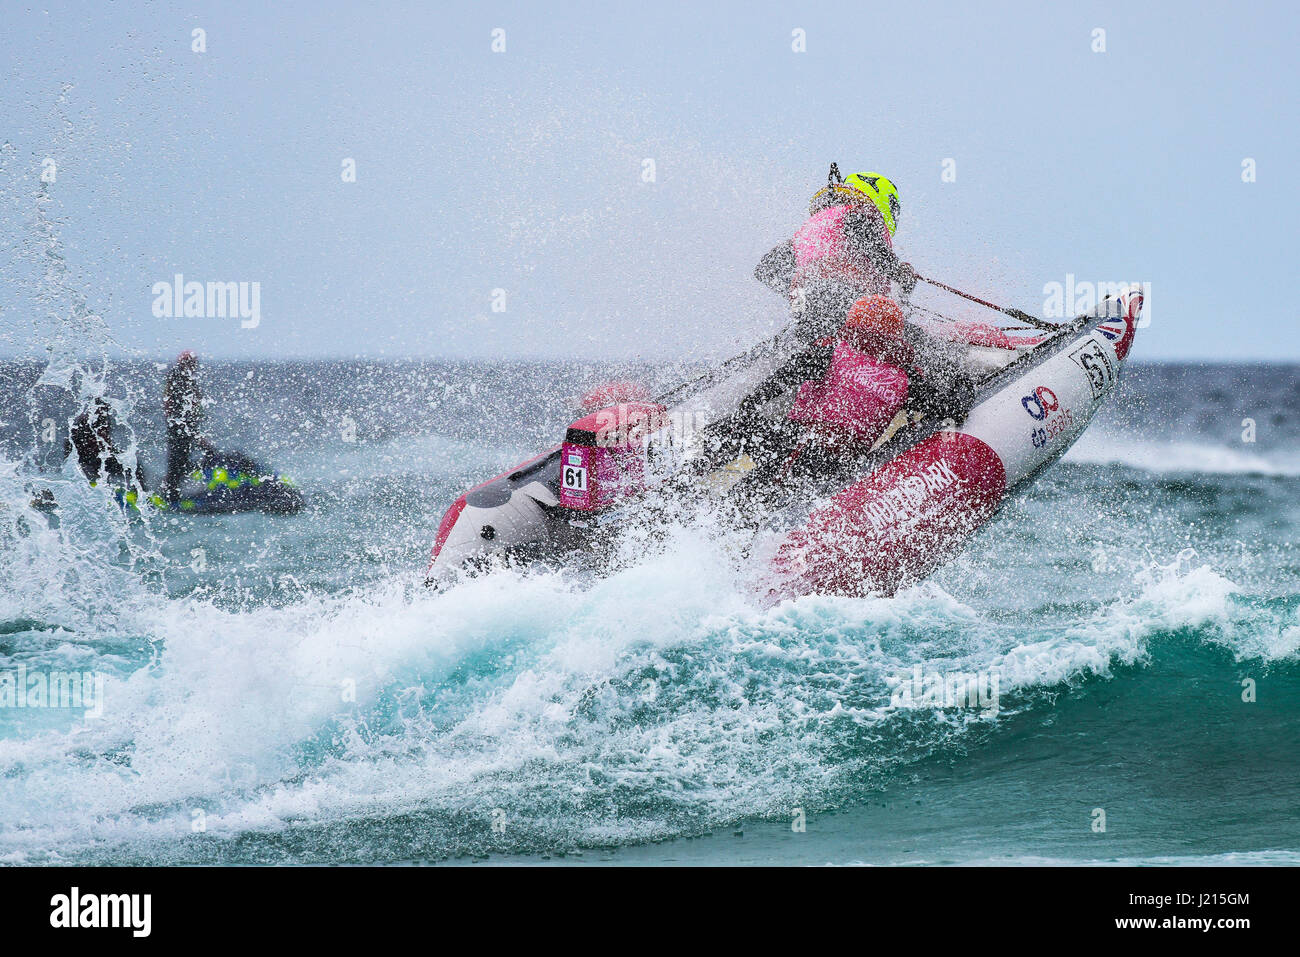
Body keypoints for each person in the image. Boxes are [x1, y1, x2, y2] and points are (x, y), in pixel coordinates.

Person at [755, 164, 917, 341]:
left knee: (806, 335)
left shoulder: (817, 225)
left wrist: (804, 289)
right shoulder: (857, 214)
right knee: (908, 341)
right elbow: (864, 237)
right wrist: (898, 273)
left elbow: (766, 269)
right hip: (842, 293)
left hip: (802, 298)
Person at [162, 350, 214, 500]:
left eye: (195, 363)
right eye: (191, 362)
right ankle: (171, 495)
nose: (194, 366)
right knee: (178, 460)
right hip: (179, 427)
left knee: (182, 460)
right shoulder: (177, 377)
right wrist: (189, 430)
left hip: (186, 426)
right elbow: (171, 404)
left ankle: (177, 491)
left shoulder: (186, 378)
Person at [65, 397, 140, 486]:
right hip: (88, 461)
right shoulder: (82, 425)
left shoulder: (101, 421)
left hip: (98, 460)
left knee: (130, 466)